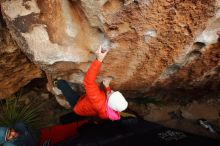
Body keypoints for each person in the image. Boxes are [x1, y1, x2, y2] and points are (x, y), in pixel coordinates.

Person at [53, 46, 128, 122]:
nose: (112, 91)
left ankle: (57, 83)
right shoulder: (113, 110)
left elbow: (88, 82)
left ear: (109, 101)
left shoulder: (98, 100)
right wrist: (107, 87)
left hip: (77, 106)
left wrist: (99, 60)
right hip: (87, 107)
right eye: (114, 92)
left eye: (111, 93)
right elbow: (109, 98)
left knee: (64, 86)